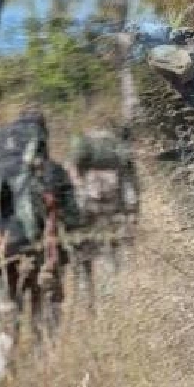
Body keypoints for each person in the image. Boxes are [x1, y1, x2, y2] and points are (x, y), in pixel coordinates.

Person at [0, 108, 82, 385]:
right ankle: (43, 377)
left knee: (2, 324)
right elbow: (74, 217)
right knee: (45, 319)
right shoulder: (50, 171)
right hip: (41, 258)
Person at [66, 126, 139, 308]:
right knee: (111, 253)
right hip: (112, 209)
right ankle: (109, 299)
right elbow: (131, 189)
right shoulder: (118, 152)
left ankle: (86, 300)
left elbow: (70, 182)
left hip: (85, 208)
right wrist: (132, 214)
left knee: (82, 255)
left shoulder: (81, 151)